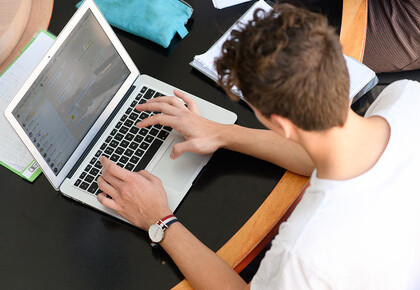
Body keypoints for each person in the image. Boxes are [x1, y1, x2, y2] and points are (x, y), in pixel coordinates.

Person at [96, 3, 420, 289]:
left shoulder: (303, 254)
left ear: (278, 122)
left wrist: (159, 219)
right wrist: (222, 133)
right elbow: (321, 153)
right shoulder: (407, 97)